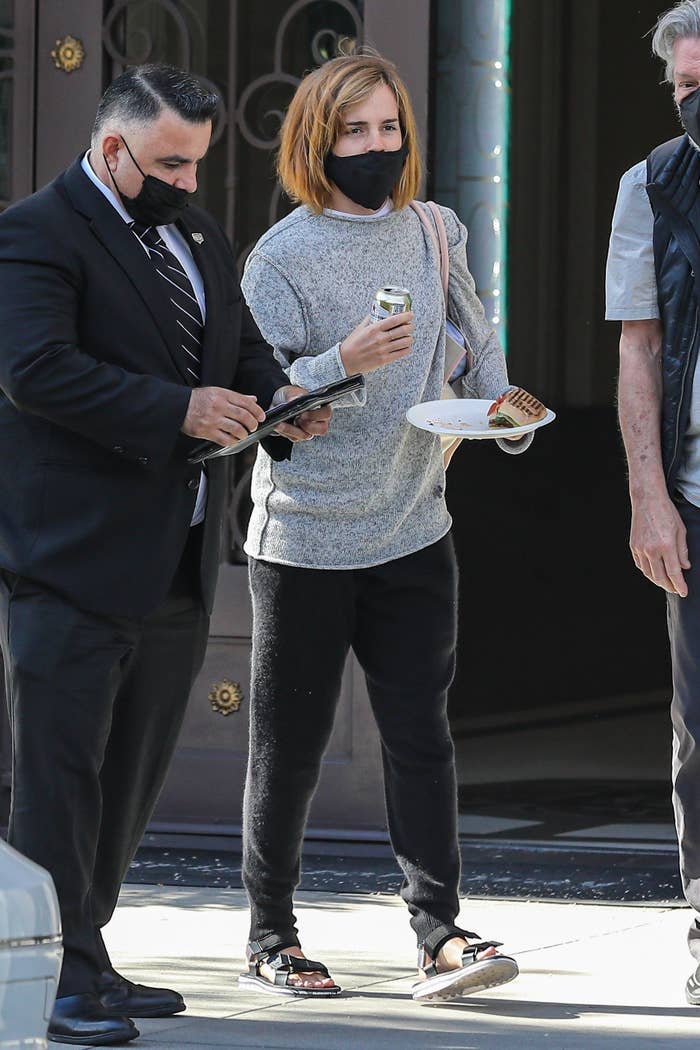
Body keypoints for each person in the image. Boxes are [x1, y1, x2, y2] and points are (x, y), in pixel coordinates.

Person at [0, 64, 330, 1046]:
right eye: (169, 162)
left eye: (197, 162)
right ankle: (38, 981)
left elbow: (236, 345)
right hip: (69, 556)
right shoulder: (34, 232)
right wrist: (176, 410)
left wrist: (279, 404)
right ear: (112, 149)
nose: (188, 181)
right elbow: (33, 370)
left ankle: (86, 955)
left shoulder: (192, 229)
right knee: (60, 780)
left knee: (129, 776)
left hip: (179, 554)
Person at [239, 52, 532, 1004]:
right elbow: (268, 404)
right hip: (306, 538)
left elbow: (483, 360)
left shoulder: (435, 232)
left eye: (388, 128)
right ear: (317, 141)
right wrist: (344, 358)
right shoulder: (279, 257)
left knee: (420, 733)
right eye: (353, 131)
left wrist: (508, 413)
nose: (375, 147)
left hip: (415, 524)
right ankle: (272, 934)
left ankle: (440, 931)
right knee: (290, 740)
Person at [606, 0, 700, 1007]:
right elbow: (636, 346)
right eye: (682, 86)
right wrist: (647, 496)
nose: (694, 101)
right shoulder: (653, 185)